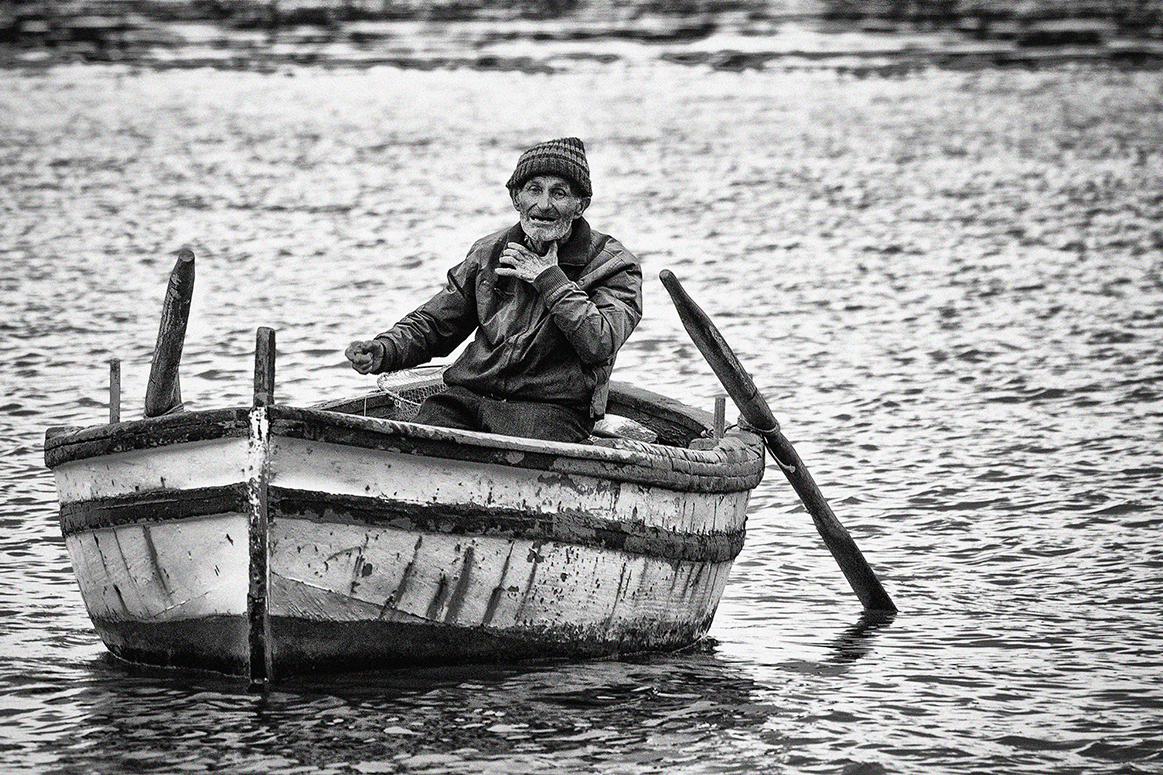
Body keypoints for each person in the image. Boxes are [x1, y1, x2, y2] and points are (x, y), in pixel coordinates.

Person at [345, 137, 643, 443]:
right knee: (421, 438)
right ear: (516, 199)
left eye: (559, 193)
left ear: (580, 205)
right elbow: (436, 323)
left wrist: (549, 278)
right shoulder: (489, 252)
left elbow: (600, 342)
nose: (543, 205)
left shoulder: (615, 265)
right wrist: (384, 349)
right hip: (469, 398)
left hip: (550, 410)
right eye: (533, 189)